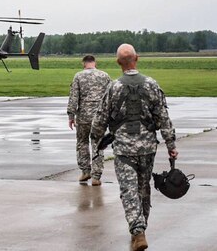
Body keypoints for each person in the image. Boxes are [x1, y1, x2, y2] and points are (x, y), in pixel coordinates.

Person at [91, 44, 178, 251]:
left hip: (124, 150)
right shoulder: (152, 85)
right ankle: (141, 229)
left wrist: (95, 138)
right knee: (143, 188)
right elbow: (164, 118)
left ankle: (138, 231)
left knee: (129, 191)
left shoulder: (113, 87)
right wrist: (171, 145)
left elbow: (100, 119)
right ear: (136, 58)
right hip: (148, 148)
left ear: (118, 62)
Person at [67, 55, 111, 185]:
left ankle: (85, 171)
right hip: (99, 117)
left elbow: (74, 97)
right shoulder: (105, 76)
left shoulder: (78, 76)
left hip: (83, 118)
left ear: (84, 63)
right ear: (94, 63)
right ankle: (96, 176)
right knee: (98, 144)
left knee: (82, 143)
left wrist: (71, 115)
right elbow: (111, 96)